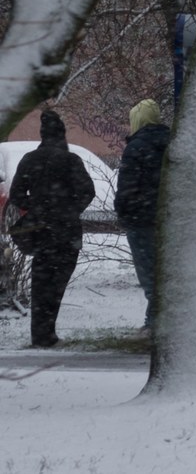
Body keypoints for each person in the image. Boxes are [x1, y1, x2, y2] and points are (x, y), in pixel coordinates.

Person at [10, 109, 96, 347]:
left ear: (42, 134)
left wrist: (36, 207)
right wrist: (69, 209)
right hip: (67, 232)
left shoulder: (30, 159)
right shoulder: (71, 160)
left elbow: (17, 195)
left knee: (41, 282)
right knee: (58, 283)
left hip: (41, 231)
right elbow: (88, 191)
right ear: (62, 134)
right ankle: (47, 332)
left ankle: (40, 334)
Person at [114, 99, 170, 332]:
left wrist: (123, 212)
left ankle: (155, 323)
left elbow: (127, 187)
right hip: (167, 218)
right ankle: (160, 319)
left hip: (141, 219)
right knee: (165, 273)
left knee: (149, 274)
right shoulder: (171, 142)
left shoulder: (136, 148)